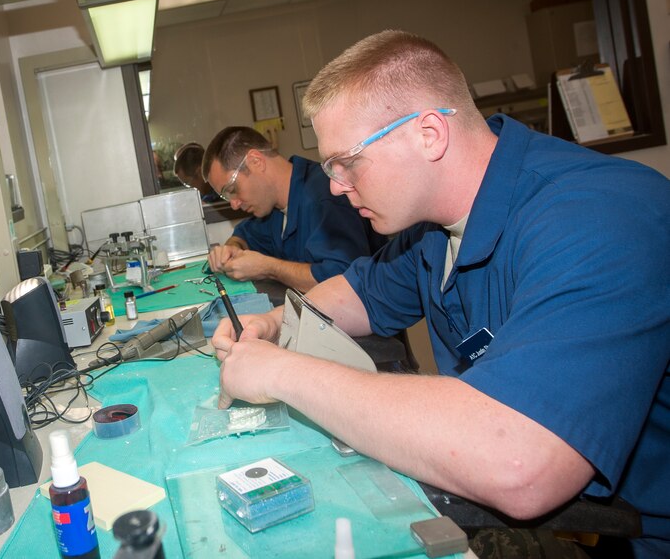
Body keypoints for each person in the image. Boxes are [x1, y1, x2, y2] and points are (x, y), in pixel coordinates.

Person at [211, 31, 670, 557]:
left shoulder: (600, 218)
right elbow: (359, 294)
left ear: (428, 134)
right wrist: (274, 326)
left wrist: (280, 372)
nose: (334, 186)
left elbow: (518, 463)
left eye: (346, 163)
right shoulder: (432, 227)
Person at [202, 126, 385, 293]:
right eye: (226, 197)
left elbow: (343, 280)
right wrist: (232, 247)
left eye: (232, 190)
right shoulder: (274, 208)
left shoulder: (326, 198)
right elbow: (246, 234)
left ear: (256, 161)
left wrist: (268, 268)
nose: (234, 204)